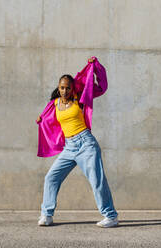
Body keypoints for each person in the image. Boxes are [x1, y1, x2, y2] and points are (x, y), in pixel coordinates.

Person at [35, 56, 119, 228]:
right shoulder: (54, 103)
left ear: (73, 89)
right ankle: (47, 215)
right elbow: (48, 118)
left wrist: (96, 67)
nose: (65, 91)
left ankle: (111, 216)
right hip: (69, 147)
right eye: (62, 88)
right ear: (58, 88)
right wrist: (41, 119)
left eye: (68, 88)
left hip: (86, 144)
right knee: (51, 177)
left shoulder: (79, 99)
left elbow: (101, 87)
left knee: (97, 180)